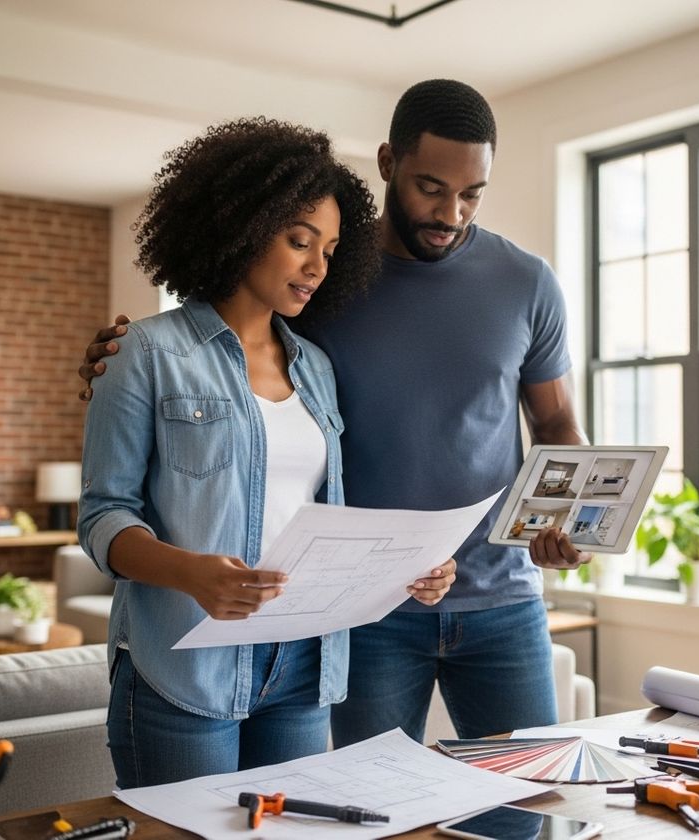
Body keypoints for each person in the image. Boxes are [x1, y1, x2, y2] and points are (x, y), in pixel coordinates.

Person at [81, 81, 590, 749]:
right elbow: (224, 339)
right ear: (387, 163)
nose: (452, 212)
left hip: (498, 595)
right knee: (365, 809)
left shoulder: (526, 282)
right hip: (362, 610)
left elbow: (556, 427)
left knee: (525, 800)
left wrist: (569, 520)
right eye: (432, 188)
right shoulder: (327, 280)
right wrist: (114, 358)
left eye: (472, 194)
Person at [76, 117, 455, 788]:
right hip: (184, 670)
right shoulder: (145, 352)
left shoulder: (316, 367)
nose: (316, 266)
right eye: (298, 240)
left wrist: (408, 571)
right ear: (242, 227)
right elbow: (103, 516)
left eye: (331, 250)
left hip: (303, 667)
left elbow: (316, 515)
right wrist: (190, 571)